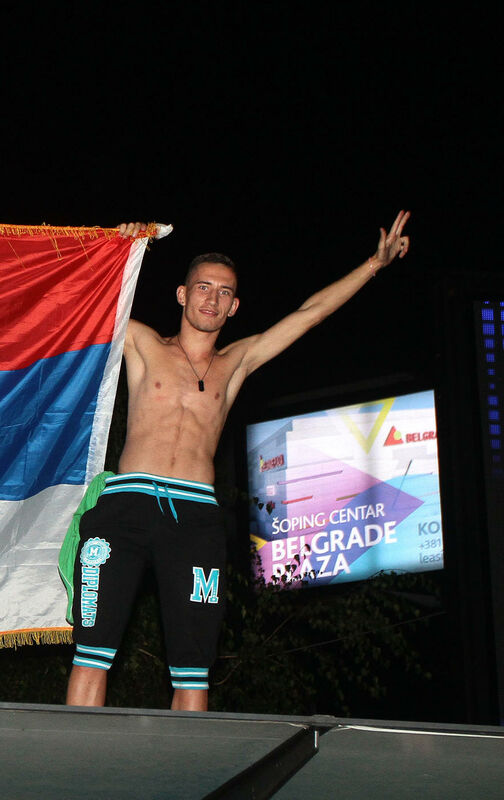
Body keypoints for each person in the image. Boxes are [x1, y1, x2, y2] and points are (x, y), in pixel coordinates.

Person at [64, 211, 412, 711]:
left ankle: (189, 760)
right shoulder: (141, 343)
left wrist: (374, 265)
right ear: (182, 294)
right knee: (92, 653)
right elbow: (82, 297)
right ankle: (76, 755)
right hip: (126, 507)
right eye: (202, 288)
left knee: (193, 669)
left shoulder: (237, 361)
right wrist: (113, 247)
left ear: (234, 306)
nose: (211, 298)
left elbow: (310, 313)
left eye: (223, 292)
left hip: (195, 517)